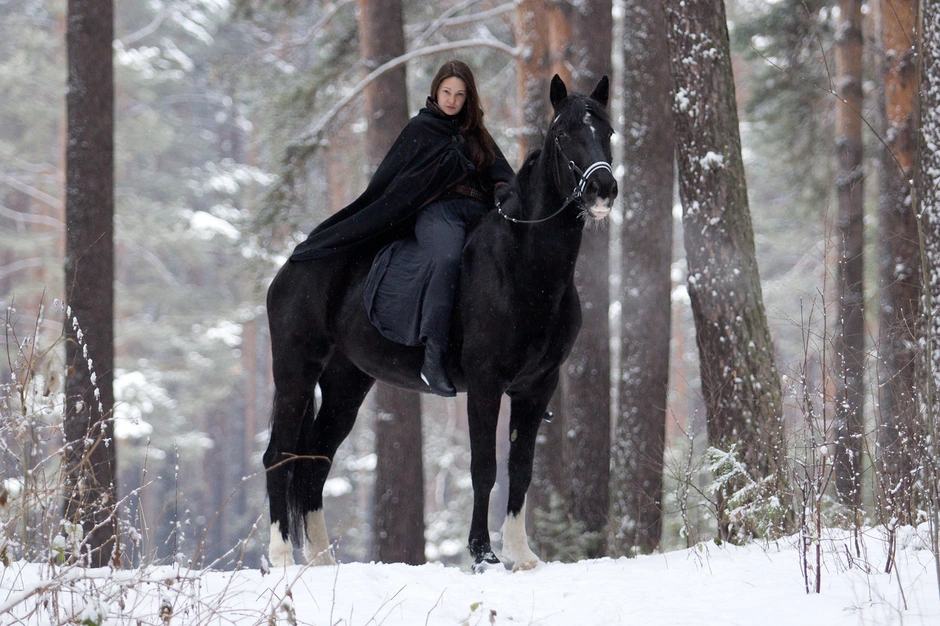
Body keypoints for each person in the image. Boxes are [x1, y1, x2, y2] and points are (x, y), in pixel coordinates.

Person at [288, 60, 514, 397]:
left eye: (460, 95)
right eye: (447, 92)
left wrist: (500, 189)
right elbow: (394, 186)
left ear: (469, 98)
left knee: (509, 261)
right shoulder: (420, 130)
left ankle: (518, 368)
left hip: (479, 214)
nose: (452, 100)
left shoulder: (476, 133)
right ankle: (433, 356)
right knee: (447, 260)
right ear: (436, 91)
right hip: (440, 215)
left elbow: (504, 174)